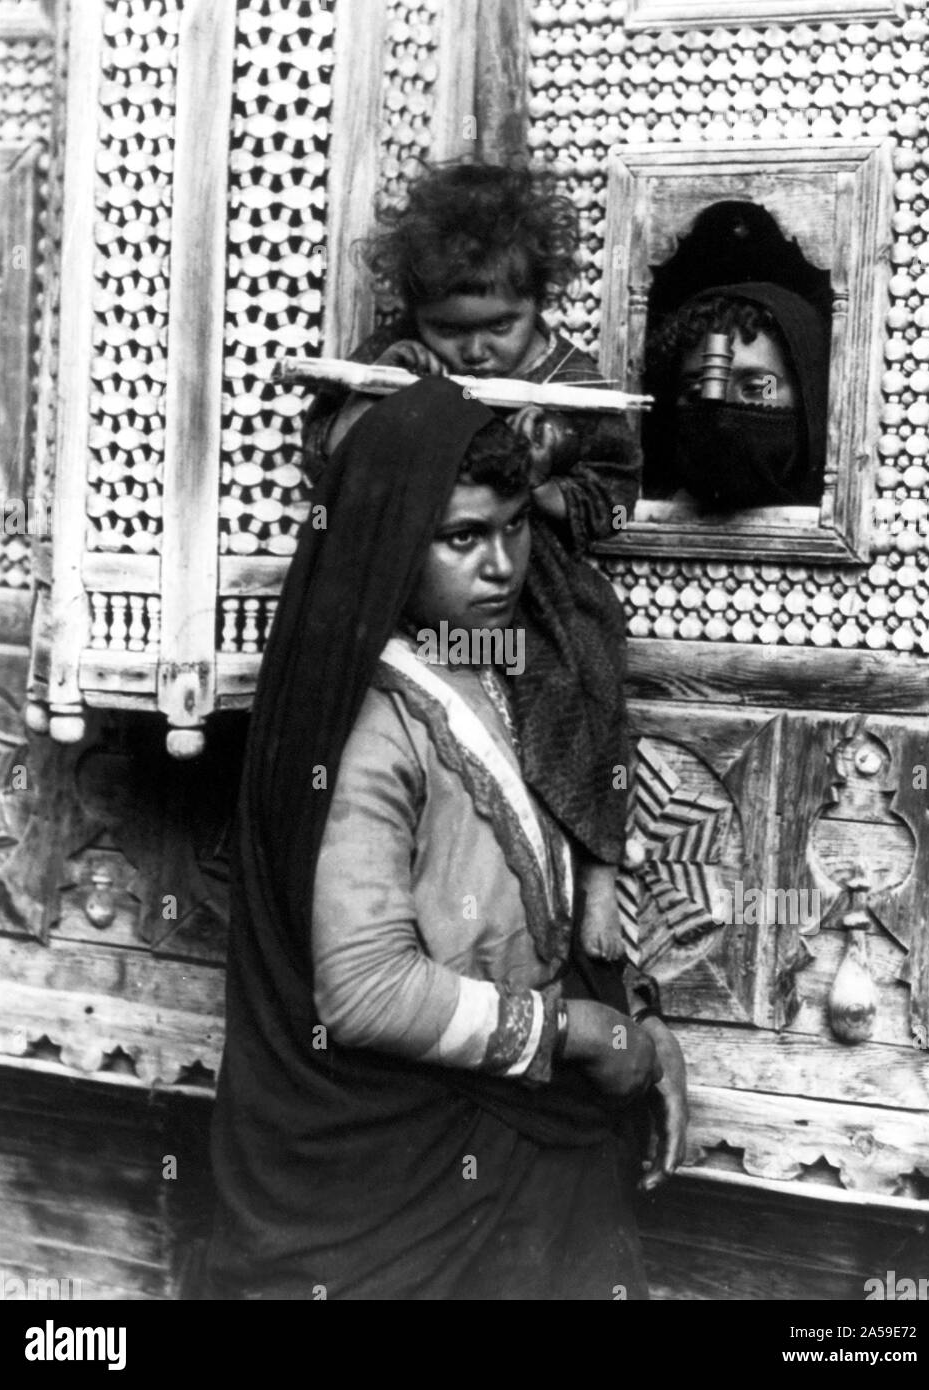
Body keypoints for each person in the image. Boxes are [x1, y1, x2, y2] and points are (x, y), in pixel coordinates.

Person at [204, 379, 688, 1300]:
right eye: (461, 538)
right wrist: (579, 1033)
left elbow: (533, 887)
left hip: (502, 1141)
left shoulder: (484, 661)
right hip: (394, 1184)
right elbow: (367, 995)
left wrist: (643, 1024)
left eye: (511, 527)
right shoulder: (366, 726)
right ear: (388, 548)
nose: (502, 565)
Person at [302, 160, 643, 963]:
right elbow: (328, 458)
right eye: (453, 329)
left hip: (529, 581)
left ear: (538, 307)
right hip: (405, 577)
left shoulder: (567, 380)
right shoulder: (397, 354)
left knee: (583, 665)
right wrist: (385, 394)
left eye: (502, 326)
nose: (479, 349)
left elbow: (616, 496)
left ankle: (597, 870)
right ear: (416, 312)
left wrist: (549, 468)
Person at [641, 281, 829, 510]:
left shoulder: (860, 519)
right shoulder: (632, 511)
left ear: (807, 394)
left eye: (757, 389)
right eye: (696, 392)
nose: (722, 419)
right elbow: (617, 523)